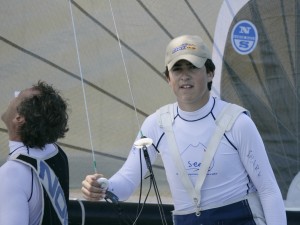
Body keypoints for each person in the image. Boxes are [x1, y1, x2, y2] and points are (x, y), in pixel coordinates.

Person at [81, 35, 287, 224]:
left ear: (209, 73)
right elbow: (126, 182)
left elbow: (268, 190)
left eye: (192, 67)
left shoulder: (238, 122)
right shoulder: (155, 124)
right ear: (168, 78)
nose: (184, 76)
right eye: (177, 69)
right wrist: (101, 187)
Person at [0, 81, 70, 225]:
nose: (14, 96)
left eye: (18, 96)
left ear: (19, 119)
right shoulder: (57, 153)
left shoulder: (12, 174)